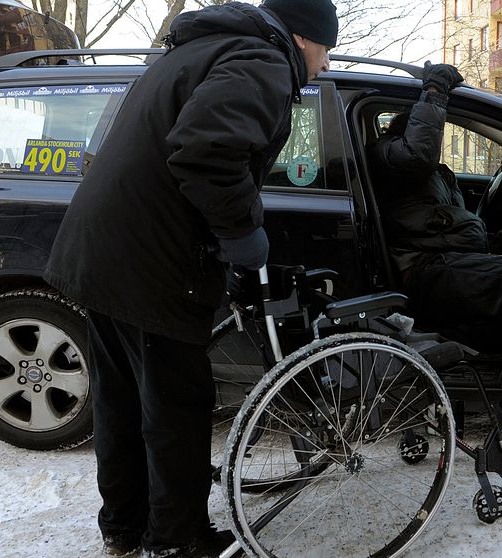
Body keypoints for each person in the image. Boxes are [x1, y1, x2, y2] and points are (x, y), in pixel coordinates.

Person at [42, 1, 338, 556]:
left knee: (122, 401)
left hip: (103, 251)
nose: (323, 66)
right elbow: (205, 151)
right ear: (303, 38)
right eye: (326, 50)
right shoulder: (261, 61)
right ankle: (177, 541)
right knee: (176, 408)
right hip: (152, 263)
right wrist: (242, 233)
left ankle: (125, 526)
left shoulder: (199, 50)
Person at [368, 63, 502, 470]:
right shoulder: (389, 156)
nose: (437, 143)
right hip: (424, 272)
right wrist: (436, 91)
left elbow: (446, 220)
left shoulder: (432, 172)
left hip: (444, 261)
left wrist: (495, 241)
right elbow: (418, 154)